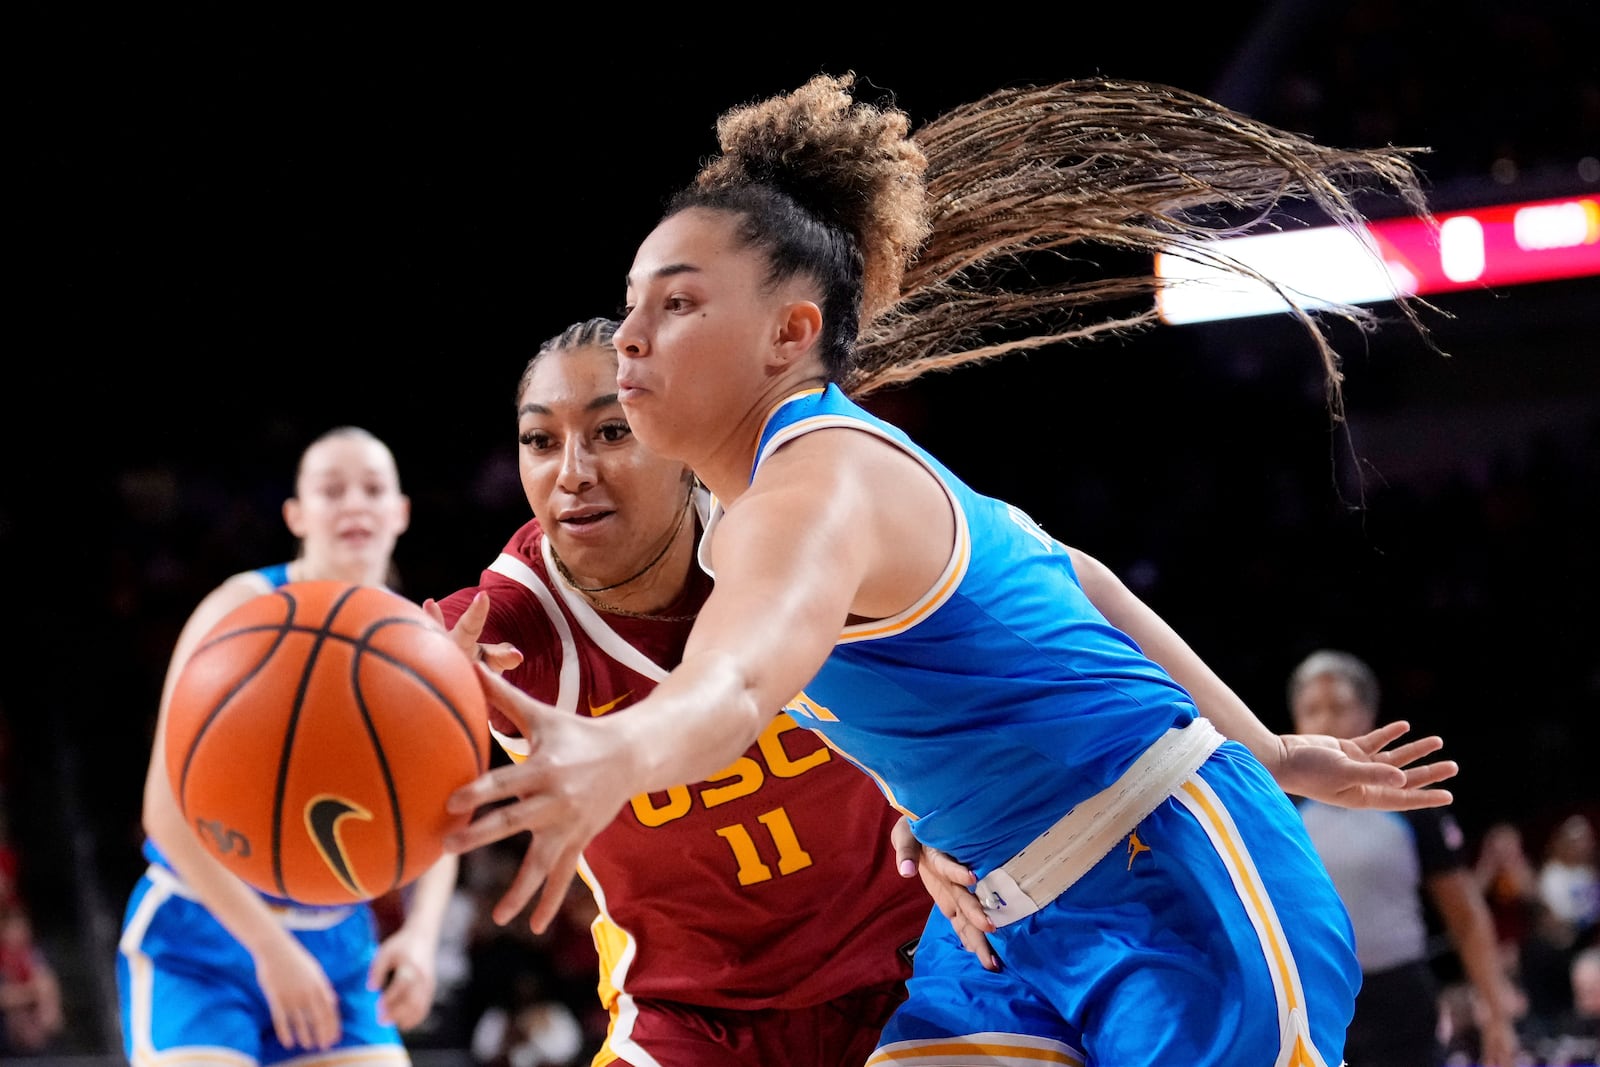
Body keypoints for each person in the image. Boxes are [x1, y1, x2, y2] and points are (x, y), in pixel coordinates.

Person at [444, 74, 1460, 1067]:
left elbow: (740, 679)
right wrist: (1264, 746)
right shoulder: (786, 492)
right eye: (630, 303)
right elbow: (1083, 577)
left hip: (1169, 882)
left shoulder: (817, 481)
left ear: (790, 334)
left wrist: (619, 753)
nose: (628, 334)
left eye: (675, 303)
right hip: (997, 929)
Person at [427, 317, 942, 1065]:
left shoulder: (792, 522)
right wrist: (399, 687)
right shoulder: (508, 626)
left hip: (914, 964)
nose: (571, 471)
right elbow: (378, 689)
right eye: (540, 440)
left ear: (677, 435)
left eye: (610, 431)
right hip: (691, 1016)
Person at [117, 426, 458, 1065]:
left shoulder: (418, 642)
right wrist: (269, 949)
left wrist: (420, 937)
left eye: (373, 488)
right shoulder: (238, 608)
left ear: (400, 512)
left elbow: (443, 816)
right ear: (296, 514)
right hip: (201, 932)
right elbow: (162, 811)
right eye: (331, 490)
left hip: (334, 941)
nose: (354, 503)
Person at [1287, 649, 1523, 1067]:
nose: (1325, 722)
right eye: (1312, 710)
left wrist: (1496, 1014)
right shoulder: (1276, 806)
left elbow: (1464, 914)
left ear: (1367, 715)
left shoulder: (1409, 801)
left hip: (1400, 998)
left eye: (1339, 708)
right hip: (1309, 998)